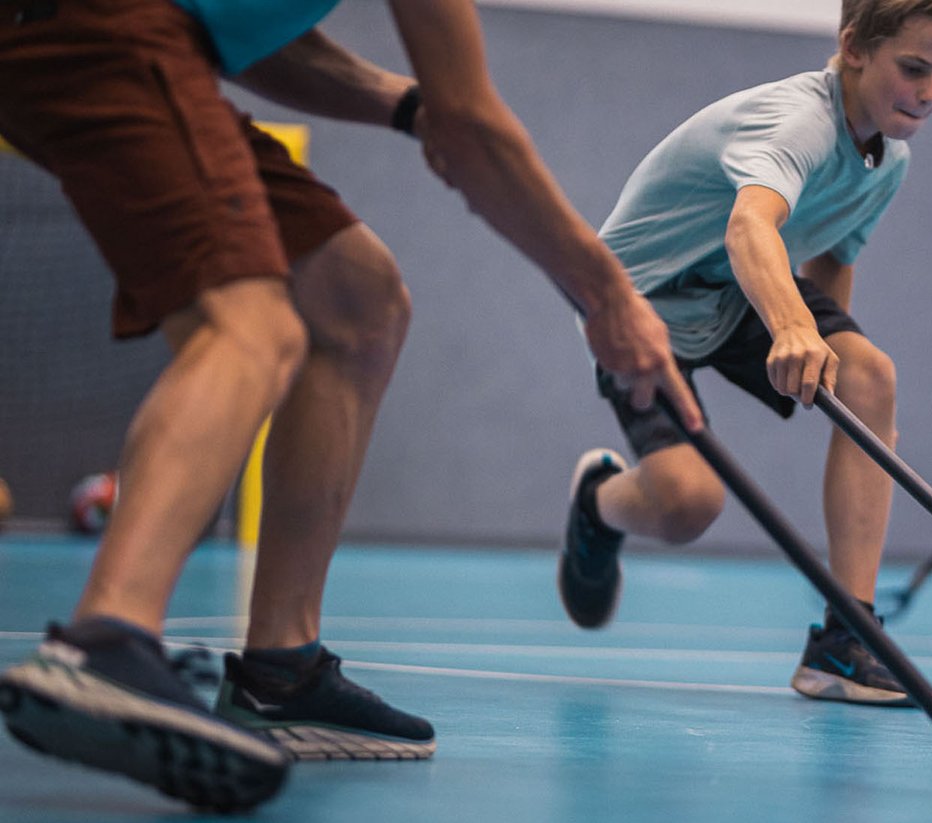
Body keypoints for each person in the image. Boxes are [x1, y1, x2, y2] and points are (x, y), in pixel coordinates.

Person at [0, 0, 698, 810]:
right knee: (252, 326)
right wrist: (607, 294)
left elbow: (253, 42)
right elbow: (477, 131)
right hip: (99, 25)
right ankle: (108, 636)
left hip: (123, 36)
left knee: (357, 298)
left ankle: (282, 671)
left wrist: (404, 104)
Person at [558, 0, 932, 707]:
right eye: (914, 68)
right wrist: (791, 327)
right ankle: (598, 504)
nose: (929, 94)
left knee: (872, 378)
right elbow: (749, 227)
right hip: (640, 304)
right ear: (854, 47)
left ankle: (847, 639)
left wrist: (852, 401)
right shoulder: (800, 122)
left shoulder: (889, 159)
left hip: (733, 295)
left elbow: (831, 261)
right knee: (687, 505)